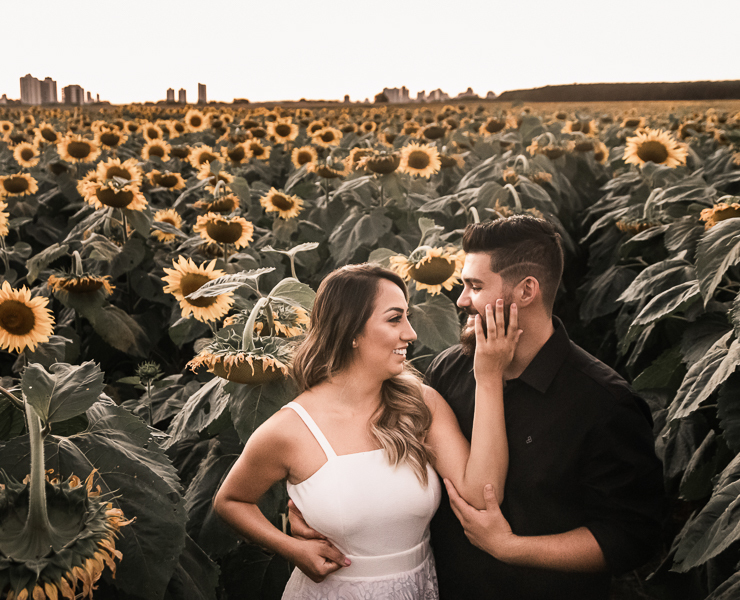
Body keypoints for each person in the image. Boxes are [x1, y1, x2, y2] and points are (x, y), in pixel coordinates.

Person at [291, 215, 664, 599]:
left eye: (475, 286)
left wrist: (510, 547)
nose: (461, 298)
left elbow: (631, 536)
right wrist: (315, 505)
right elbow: (388, 454)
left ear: (526, 291)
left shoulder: (603, 402)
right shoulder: (450, 369)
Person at [213, 263, 521, 599]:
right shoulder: (289, 429)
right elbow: (230, 501)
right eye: (394, 319)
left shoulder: (420, 405)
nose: (411, 333)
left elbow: (482, 495)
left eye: (407, 317)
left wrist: (489, 379)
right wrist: (291, 548)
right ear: (352, 332)